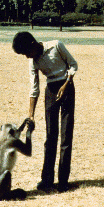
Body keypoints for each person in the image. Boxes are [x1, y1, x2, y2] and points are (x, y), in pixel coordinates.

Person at [12, 31, 78, 192]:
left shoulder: (56, 45)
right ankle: (47, 180)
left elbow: (73, 65)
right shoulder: (33, 62)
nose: (27, 57)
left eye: (27, 52)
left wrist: (66, 84)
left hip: (67, 88)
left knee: (66, 136)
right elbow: (34, 89)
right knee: (50, 137)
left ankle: (63, 181)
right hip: (50, 91)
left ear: (33, 44)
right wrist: (31, 115)